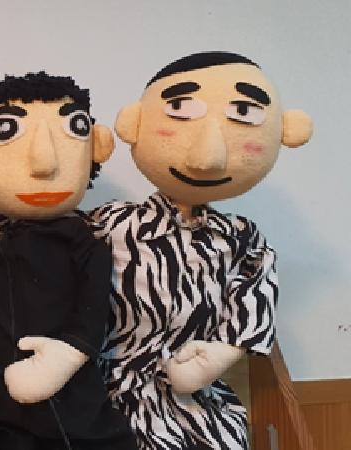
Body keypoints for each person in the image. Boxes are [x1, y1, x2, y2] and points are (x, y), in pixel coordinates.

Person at [89, 51, 313, 449]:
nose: (208, 157)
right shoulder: (109, 224)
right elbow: (52, 254)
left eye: (244, 113)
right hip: (106, 397)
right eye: (178, 109)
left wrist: (218, 356)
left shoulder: (242, 239)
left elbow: (254, 293)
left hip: (197, 399)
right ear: (133, 125)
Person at [0, 72, 137, 450]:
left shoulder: (85, 243)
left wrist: (65, 356)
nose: (44, 163)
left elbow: (93, 311)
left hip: (72, 399)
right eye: (6, 131)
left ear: (96, 148)